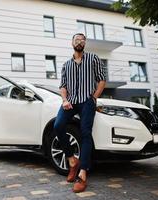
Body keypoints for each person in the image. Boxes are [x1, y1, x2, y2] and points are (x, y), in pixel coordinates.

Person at [54, 33, 106, 193]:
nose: (79, 42)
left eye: (82, 40)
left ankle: (82, 173)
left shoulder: (93, 59)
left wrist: (94, 98)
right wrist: (64, 99)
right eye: (77, 39)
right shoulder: (66, 65)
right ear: (72, 43)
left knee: (85, 133)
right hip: (70, 101)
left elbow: (102, 79)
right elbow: (63, 85)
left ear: (85, 44)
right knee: (58, 126)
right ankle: (72, 160)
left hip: (86, 101)